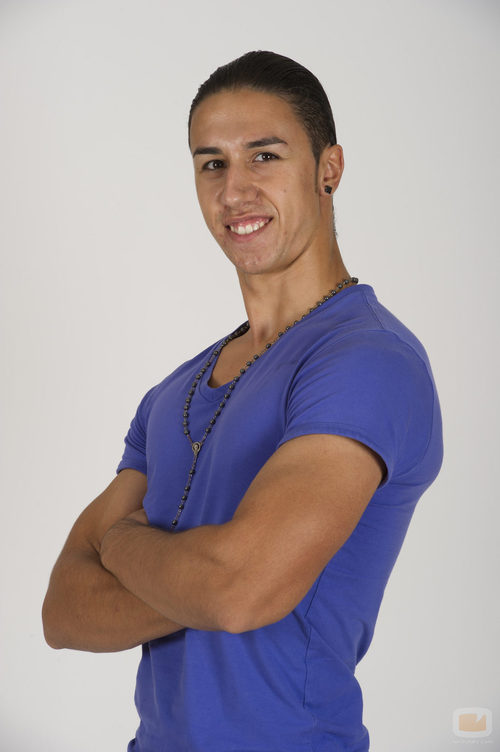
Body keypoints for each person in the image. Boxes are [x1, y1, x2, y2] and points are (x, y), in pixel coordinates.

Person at [42, 50, 443, 751]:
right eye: (212, 163)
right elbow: (64, 612)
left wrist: (122, 541)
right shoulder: (171, 393)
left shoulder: (366, 360)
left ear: (328, 169)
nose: (234, 190)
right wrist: (202, 579)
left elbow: (238, 591)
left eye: (264, 156)